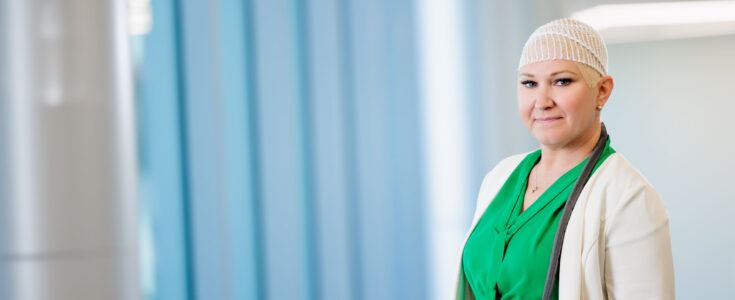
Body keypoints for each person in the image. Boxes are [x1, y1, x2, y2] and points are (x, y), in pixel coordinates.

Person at [453, 18, 675, 299]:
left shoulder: (630, 198)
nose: (542, 101)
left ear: (602, 91)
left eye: (561, 81)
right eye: (529, 83)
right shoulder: (500, 178)